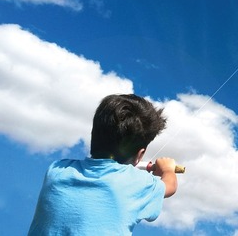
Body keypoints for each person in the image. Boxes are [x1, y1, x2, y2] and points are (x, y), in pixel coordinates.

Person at [28, 94, 178, 235]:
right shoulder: (137, 182)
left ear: (93, 135)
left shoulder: (57, 170)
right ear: (140, 154)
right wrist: (168, 169)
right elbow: (169, 187)